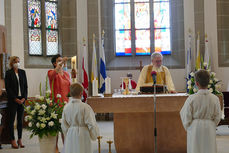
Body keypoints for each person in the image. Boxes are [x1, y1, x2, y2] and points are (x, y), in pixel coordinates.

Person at [180, 70, 221, 153]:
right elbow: (218, 116)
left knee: (195, 149)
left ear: (196, 83)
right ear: (208, 82)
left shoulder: (191, 98)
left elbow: (185, 115)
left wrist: (189, 126)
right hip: (210, 126)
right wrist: (212, 124)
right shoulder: (215, 98)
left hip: (195, 127)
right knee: (209, 149)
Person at [61, 83, 99, 153]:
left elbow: (63, 124)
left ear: (71, 93)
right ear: (81, 93)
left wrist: (68, 133)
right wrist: (94, 135)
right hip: (83, 134)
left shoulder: (66, 107)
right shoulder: (85, 107)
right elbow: (91, 123)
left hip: (71, 133)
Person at [47, 54, 71, 153]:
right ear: (54, 63)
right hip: (56, 104)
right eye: (59, 61)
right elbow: (55, 72)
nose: (62, 62)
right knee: (56, 128)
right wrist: (60, 64)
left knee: (67, 128)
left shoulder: (66, 74)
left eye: (62, 60)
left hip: (67, 103)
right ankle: (55, 147)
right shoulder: (51, 73)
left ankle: (67, 147)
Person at [5, 56, 28, 149]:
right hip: (13, 100)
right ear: (11, 63)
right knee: (11, 121)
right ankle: (12, 140)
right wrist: (14, 98)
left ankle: (20, 139)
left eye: (18, 61)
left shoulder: (22, 72)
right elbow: (8, 88)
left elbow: (25, 86)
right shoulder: (8, 73)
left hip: (21, 100)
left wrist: (24, 98)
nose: (17, 63)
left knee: (20, 121)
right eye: (15, 61)